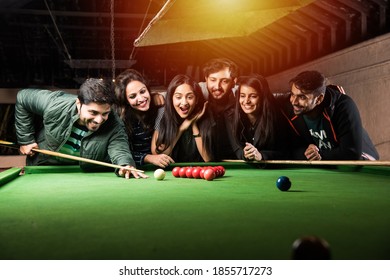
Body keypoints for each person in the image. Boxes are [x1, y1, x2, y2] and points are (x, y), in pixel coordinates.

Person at [15, 78, 147, 179]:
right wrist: (25, 139)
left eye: (105, 113)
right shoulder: (55, 103)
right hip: (43, 166)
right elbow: (23, 97)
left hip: (83, 173)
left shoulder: (114, 124)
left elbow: (119, 149)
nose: (99, 120)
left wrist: (125, 165)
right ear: (79, 104)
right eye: (93, 113)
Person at [278, 70, 379, 160]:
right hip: (328, 163)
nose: (294, 101)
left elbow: (351, 153)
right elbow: (292, 149)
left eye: (302, 97)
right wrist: (308, 153)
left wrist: (320, 155)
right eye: (292, 94)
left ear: (319, 99)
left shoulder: (343, 105)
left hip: (363, 162)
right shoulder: (291, 109)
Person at [114, 69, 174, 168]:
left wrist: (159, 95)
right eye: (133, 96)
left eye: (143, 91)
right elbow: (122, 152)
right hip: (137, 168)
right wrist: (149, 158)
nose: (141, 99)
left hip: (166, 165)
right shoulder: (123, 118)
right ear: (126, 100)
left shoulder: (158, 106)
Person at [225, 74, 289, 161]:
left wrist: (261, 155)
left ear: (263, 97)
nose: (246, 101)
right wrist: (245, 154)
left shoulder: (277, 117)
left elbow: (285, 152)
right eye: (242, 96)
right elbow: (236, 149)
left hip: (271, 168)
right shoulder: (230, 117)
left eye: (253, 96)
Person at [151, 74, 213, 162]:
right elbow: (158, 155)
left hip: (198, 172)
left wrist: (194, 124)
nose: (184, 102)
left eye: (190, 97)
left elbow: (208, 159)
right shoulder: (162, 113)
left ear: (197, 100)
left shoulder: (205, 114)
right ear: (171, 98)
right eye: (178, 97)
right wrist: (182, 128)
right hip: (172, 172)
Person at [200, 58, 239, 160]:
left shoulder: (242, 95)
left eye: (224, 81)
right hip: (205, 160)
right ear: (206, 79)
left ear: (234, 82)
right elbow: (172, 93)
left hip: (237, 159)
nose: (217, 86)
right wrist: (155, 96)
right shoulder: (198, 90)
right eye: (213, 80)